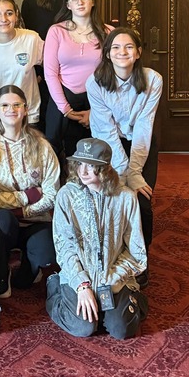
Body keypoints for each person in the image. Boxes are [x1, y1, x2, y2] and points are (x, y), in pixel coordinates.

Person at [47, 137, 148, 340]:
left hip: (114, 277)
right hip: (78, 274)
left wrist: (111, 278)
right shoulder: (66, 195)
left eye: (91, 166)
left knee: (121, 330)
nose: (83, 171)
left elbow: (137, 252)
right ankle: (55, 286)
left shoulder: (126, 197)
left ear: (105, 168)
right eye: (80, 164)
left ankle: (132, 299)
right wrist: (81, 284)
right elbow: (63, 246)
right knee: (83, 327)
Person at [0, 85, 60, 298]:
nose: (10, 110)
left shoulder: (42, 146)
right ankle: (1, 270)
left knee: (46, 253)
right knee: (1, 220)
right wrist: (27, 196)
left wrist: (23, 212)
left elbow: (52, 193)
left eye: (16, 105)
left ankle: (30, 266)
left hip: (37, 220)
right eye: (4, 105)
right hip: (6, 222)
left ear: (25, 109)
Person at [87, 27, 163, 258]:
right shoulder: (95, 82)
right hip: (108, 146)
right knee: (113, 196)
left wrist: (135, 172)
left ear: (138, 52)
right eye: (116, 47)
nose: (123, 52)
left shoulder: (153, 80)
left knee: (142, 202)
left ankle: (141, 257)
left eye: (129, 47)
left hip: (141, 143)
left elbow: (144, 125)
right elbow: (106, 131)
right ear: (108, 53)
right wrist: (122, 172)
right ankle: (113, 255)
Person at [42, 0, 107, 159]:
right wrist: (66, 110)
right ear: (68, 4)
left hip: (97, 101)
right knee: (55, 150)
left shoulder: (108, 33)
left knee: (96, 152)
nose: (80, 2)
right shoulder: (56, 31)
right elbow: (50, 73)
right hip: (62, 99)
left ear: (93, 1)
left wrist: (95, 112)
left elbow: (112, 76)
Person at [0, 0, 45, 136]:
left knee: (26, 157)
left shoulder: (31, 38)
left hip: (27, 112)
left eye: (9, 13)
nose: (3, 19)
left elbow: (53, 66)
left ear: (16, 15)